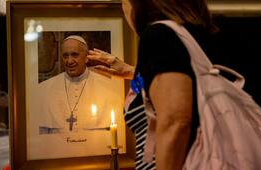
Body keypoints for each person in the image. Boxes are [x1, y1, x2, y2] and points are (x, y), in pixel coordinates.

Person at [87, 0, 218, 169]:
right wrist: (131, 72)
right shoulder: (197, 37)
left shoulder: (159, 35)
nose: (123, 8)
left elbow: (175, 122)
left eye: (124, 2)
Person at [37, 35, 122, 134]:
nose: (69, 61)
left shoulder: (108, 87)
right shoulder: (44, 89)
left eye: (75, 55)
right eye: (65, 56)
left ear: (86, 57)